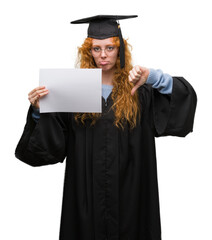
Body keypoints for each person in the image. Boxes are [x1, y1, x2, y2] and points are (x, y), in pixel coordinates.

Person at [15, 15, 197, 240]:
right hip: (85, 200)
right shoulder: (73, 90)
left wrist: (154, 77)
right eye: (96, 48)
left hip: (134, 196)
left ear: (120, 49)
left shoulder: (140, 90)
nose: (103, 55)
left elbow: (181, 102)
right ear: (87, 51)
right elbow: (48, 146)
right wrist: (38, 109)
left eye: (110, 47)